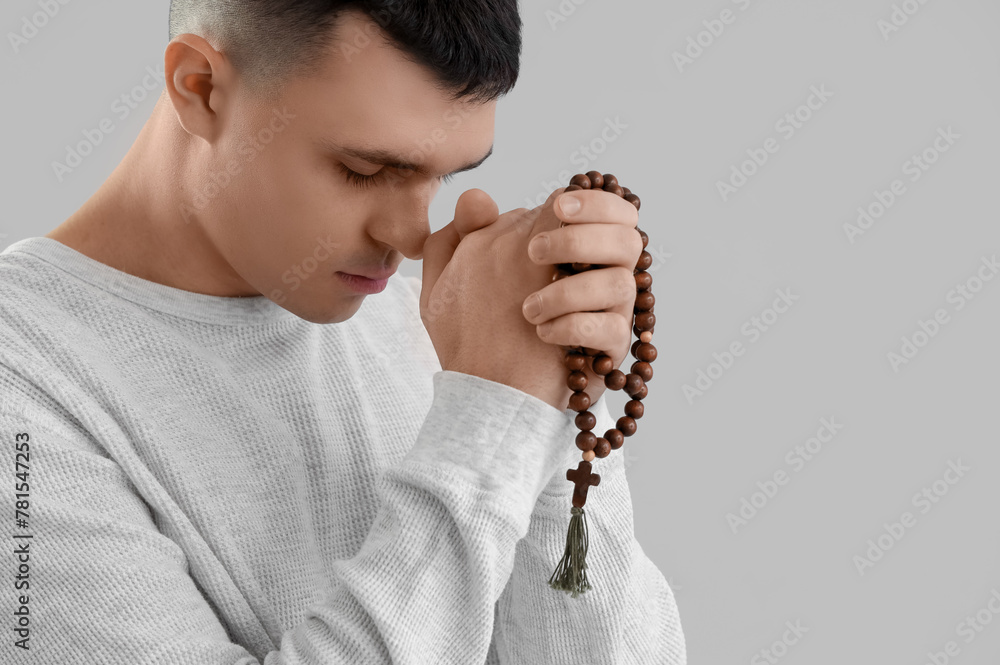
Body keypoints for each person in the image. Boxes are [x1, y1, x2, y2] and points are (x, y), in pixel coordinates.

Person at [0, 1, 686, 663]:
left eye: (441, 177)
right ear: (200, 87)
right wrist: (492, 415)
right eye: (363, 170)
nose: (412, 233)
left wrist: (554, 409)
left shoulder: (452, 334)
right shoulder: (24, 380)